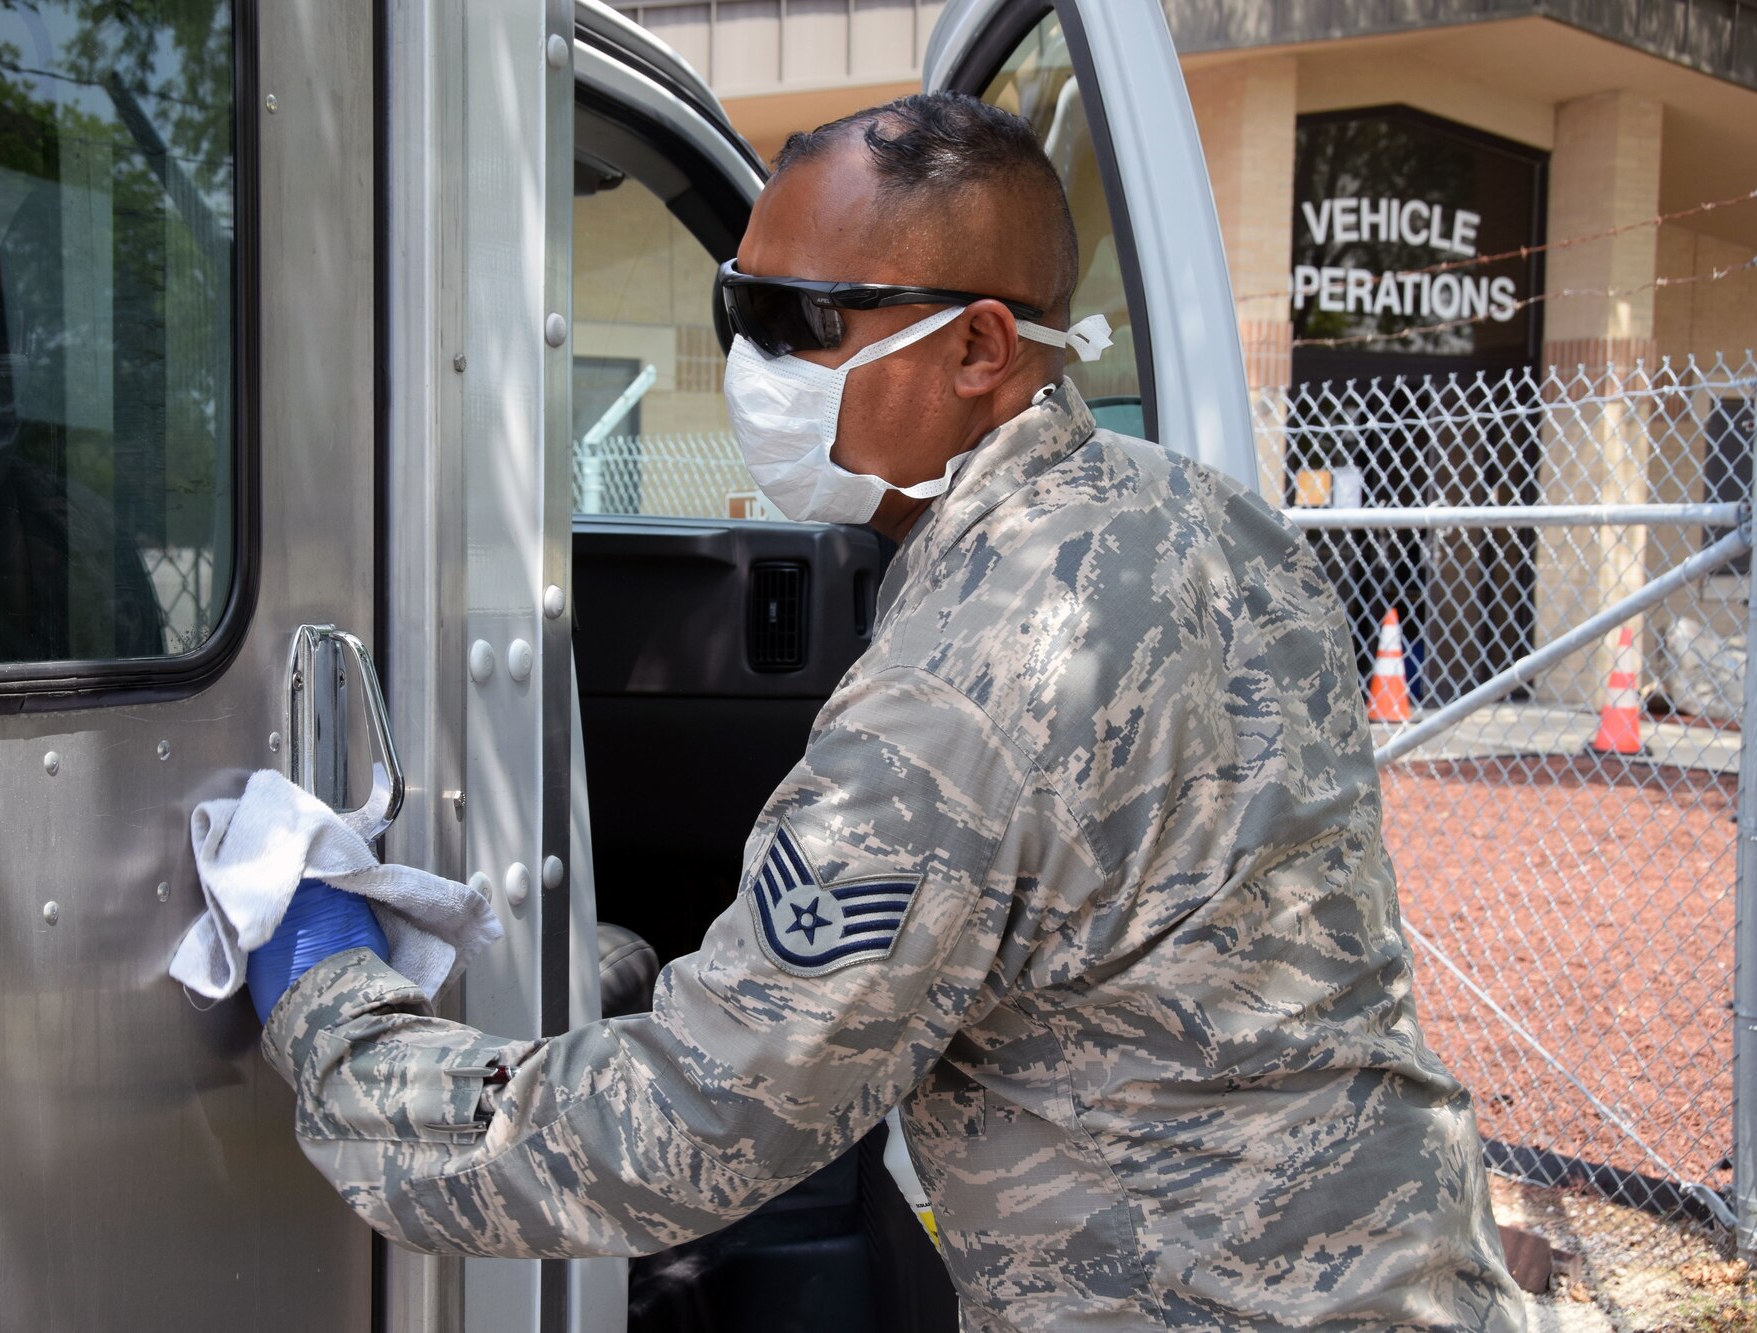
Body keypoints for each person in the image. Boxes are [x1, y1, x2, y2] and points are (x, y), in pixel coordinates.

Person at [248, 93, 1525, 1330]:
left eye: (796, 318)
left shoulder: (972, 672)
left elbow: (700, 1120)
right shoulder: (1206, 519)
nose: (749, 363)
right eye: (733, 307)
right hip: (1398, 1267)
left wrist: (336, 1020)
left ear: (977, 346)